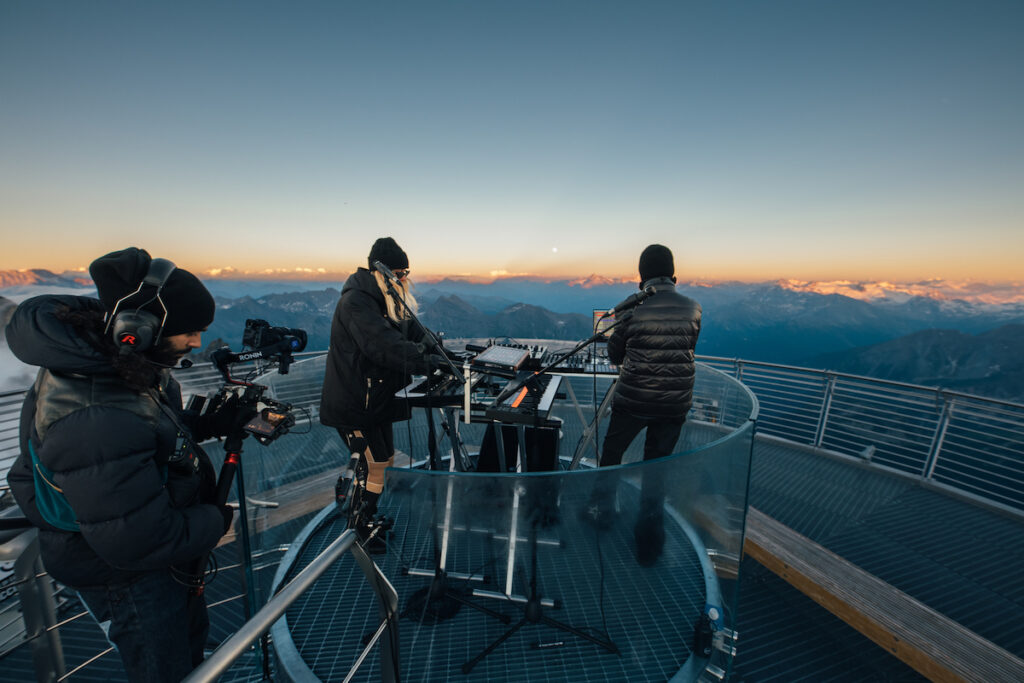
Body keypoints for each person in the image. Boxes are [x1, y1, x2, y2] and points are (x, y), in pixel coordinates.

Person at [5, 247, 234, 682]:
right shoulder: (97, 414)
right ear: (140, 330)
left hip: (140, 557)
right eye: (190, 331)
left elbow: (143, 437)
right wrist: (215, 518)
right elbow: (138, 541)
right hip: (129, 577)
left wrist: (209, 423)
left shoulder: (112, 366)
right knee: (165, 672)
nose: (197, 343)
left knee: (192, 658)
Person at [320, 237, 441, 551]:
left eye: (406, 273)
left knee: (382, 462)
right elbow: (384, 347)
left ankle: (366, 520)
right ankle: (357, 530)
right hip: (354, 403)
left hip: (374, 400)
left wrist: (446, 358)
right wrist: (426, 362)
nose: (403, 279)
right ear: (381, 271)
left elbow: (417, 333)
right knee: (368, 467)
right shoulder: (357, 302)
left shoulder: (387, 299)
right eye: (398, 273)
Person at [586, 244, 702, 566]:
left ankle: (602, 514)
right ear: (674, 276)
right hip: (675, 405)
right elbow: (687, 346)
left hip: (634, 399)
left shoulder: (632, 309)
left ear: (641, 278)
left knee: (611, 456)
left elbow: (615, 355)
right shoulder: (694, 307)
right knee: (656, 471)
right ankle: (649, 546)